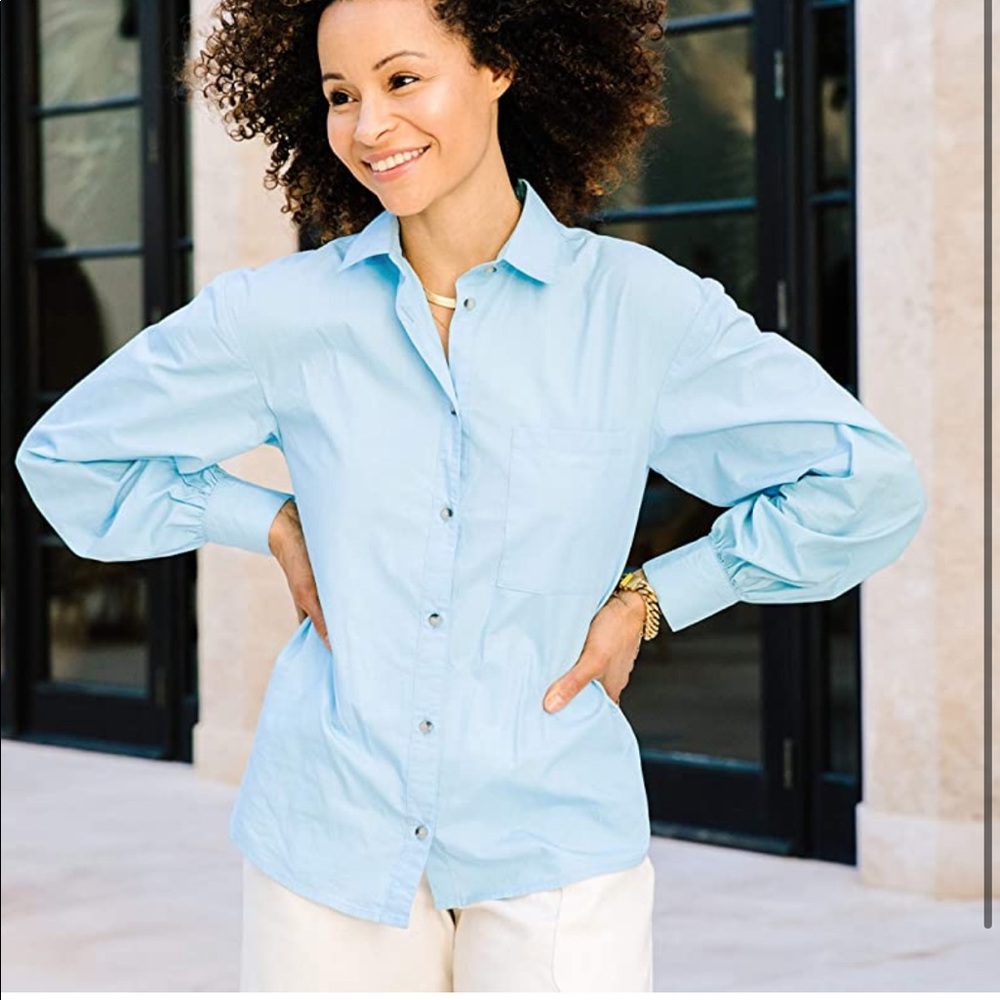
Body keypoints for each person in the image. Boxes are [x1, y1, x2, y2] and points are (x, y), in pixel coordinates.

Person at [14, 0, 927, 991]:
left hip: (554, 844)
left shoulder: (637, 311)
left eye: (402, 80)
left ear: (498, 63)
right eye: (339, 95)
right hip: (331, 832)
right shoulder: (280, 316)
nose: (369, 125)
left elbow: (863, 484)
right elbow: (68, 457)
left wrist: (654, 598)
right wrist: (269, 520)